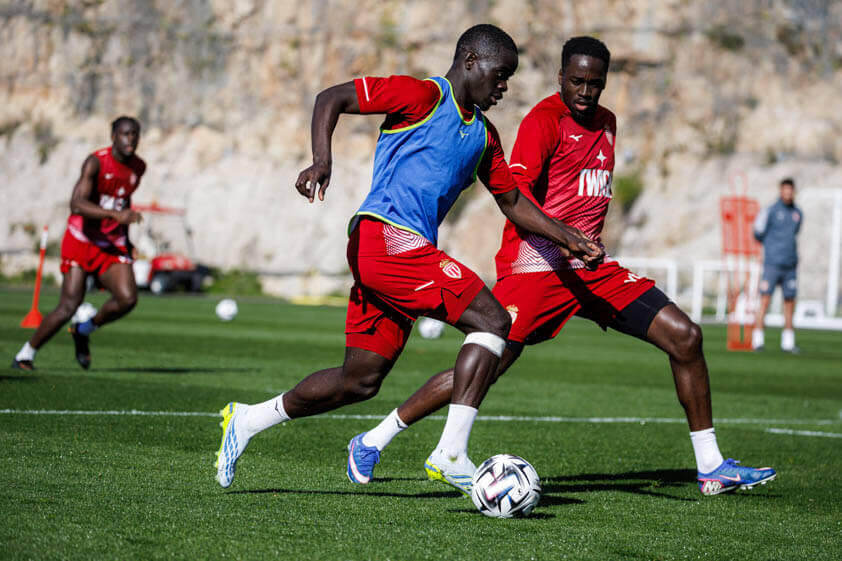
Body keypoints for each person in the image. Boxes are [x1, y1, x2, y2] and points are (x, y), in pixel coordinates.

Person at [347, 36, 777, 497]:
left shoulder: (608, 123)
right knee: (485, 365)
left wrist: (583, 245)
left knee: (686, 336)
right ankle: (374, 440)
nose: (586, 91)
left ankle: (711, 467)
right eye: (577, 81)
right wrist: (565, 236)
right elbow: (517, 197)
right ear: (560, 77)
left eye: (595, 83)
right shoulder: (542, 121)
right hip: (538, 268)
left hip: (591, 269)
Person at [214, 24, 604, 490]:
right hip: (385, 239)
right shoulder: (421, 96)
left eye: (509, 78)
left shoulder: (484, 136)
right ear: (470, 61)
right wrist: (322, 160)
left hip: (402, 253)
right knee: (494, 320)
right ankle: (451, 453)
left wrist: (568, 238)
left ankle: (247, 420)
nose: (504, 87)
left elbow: (513, 201)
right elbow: (330, 98)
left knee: (360, 381)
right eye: (500, 74)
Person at [11, 116, 145, 371]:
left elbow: (122, 199)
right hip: (81, 240)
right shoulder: (96, 162)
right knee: (69, 305)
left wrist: (126, 239)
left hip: (111, 242)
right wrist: (115, 216)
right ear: (113, 136)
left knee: (127, 299)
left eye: (135, 134)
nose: (131, 139)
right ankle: (24, 355)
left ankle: (83, 330)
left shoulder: (139, 167)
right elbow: (76, 204)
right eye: (125, 134)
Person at [752, 178, 803, 353]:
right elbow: (757, 232)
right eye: (785, 189)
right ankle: (758, 340)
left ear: (794, 191)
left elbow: (795, 233)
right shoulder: (770, 211)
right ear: (781, 191)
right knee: (765, 300)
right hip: (772, 264)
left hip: (790, 266)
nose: (788, 193)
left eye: (790, 190)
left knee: (789, 302)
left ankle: (788, 342)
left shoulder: (797, 213)